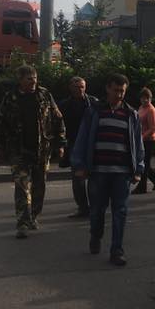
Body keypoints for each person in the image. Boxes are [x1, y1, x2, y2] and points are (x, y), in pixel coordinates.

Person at [70, 73, 144, 266]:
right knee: (97, 210)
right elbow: (83, 138)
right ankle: (96, 235)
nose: (119, 94)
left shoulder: (131, 114)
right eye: (116, 90)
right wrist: (79, 165)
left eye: (122, 91)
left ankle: (117, 250)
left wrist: (138, 169)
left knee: (120, 211)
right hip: (98, 172)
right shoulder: (94, 111)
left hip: (122, 173)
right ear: (108, 89)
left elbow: (138, 143)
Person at [0, 65, 65, 239]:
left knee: (39, 186)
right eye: (29, 78)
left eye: (35, 78)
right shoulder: (10, 97)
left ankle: (33, 216)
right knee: (22, 187)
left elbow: (58, 118)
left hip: (42, 150)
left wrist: (61, 143)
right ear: (20, 80)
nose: (33, 81)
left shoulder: (44, 94)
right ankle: (23, 223)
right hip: (18, 150)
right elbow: (0, 122)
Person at [58, 76, 98, 218]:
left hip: (92, 143)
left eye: (82, 87)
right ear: (70, 88)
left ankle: (95, 207)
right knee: (77, 179)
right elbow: (59, 125)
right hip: (74, 144)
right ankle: (83, 207)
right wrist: (62, 144)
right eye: (76, 87)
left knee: (94, 178)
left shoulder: (94, 103)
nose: (80, 89)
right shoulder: (64, 105)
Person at [133, 87, 155, 194]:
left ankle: (142, 187)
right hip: (142, 139)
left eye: (148, 98)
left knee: (144, 163)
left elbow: (153, 129)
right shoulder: (141, 108)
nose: (145, 100)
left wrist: (141, 138)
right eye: (143, 98)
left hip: (149, 140)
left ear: (150, 98)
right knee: (144, 163)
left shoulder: (151, 110)